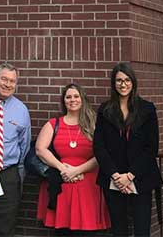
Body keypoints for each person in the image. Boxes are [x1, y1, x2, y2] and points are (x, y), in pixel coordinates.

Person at [93, 62, 161, 237]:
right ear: (113, 83)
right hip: (113, 179)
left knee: (142, 230)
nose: (123, 84)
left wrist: (130, 176)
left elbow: (151, 148)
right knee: (118, 229)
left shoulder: (147, 109)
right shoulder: (105, 110)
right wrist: (116, 176)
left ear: (133, 82)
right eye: (119, 80)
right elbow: (99, 146)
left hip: (141, 177)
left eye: (127, 80)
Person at [36, 83, 110, 233]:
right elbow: (40, 149)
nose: (72, 100)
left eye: (76, 96)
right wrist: (63, 169)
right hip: (61, 183)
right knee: (63, 231)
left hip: (89, 186)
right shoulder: (53, 124)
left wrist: (77, 170)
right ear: (63, 101)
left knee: (88, 231)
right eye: (68, 97)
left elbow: (103, 153)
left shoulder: (94, 124)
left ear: (82, 99)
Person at [0, 61, 31, 237]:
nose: (8, 84)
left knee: (4, 227)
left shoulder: (21, 109)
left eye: (12, 81)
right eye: (4, 79)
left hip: (6, 174)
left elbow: (24, 144)